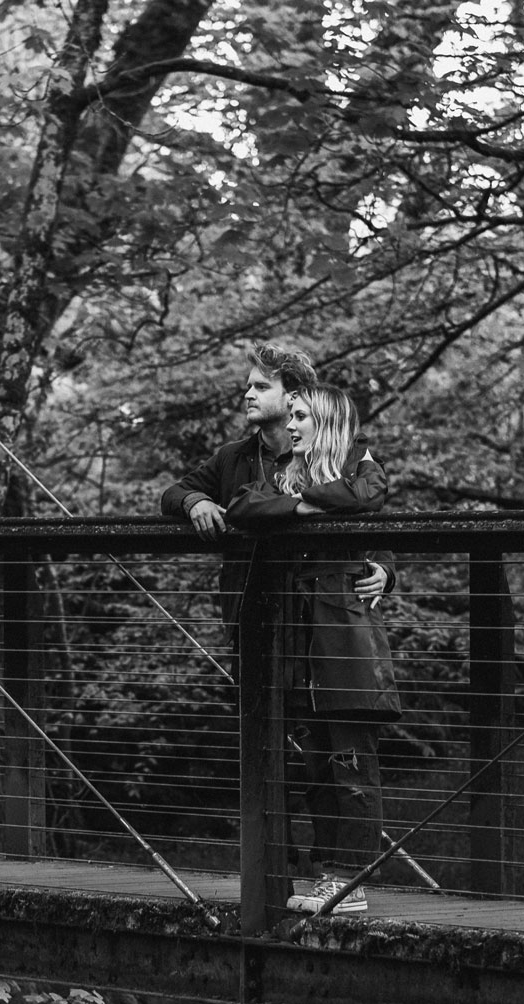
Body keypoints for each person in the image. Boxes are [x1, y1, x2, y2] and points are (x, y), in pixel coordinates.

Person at [161, 349, 400, 916]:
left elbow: (373, 511)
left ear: (303, 402)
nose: (247, 395)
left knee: (346, 755)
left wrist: (385, 568)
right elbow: (230, 503)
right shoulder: (239, 459)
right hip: (268, 625)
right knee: (294, 753)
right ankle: (281, 880)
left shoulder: (351, 457)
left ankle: (341, 882)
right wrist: (199, 501)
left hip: (336, 626)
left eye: (260, 386)